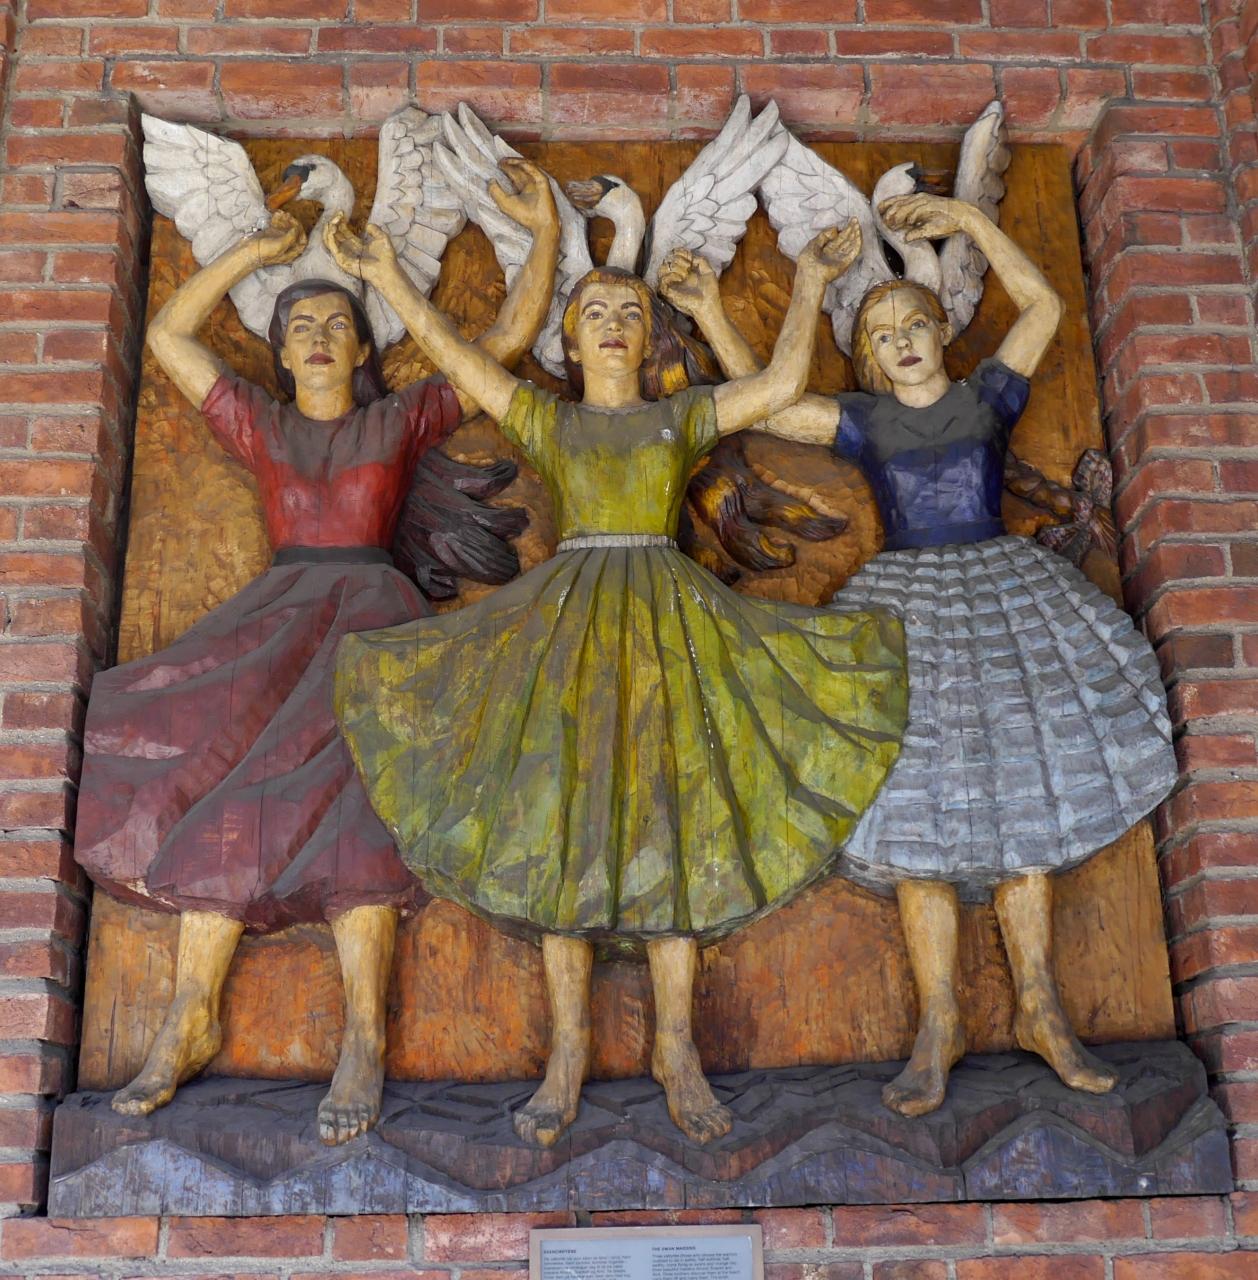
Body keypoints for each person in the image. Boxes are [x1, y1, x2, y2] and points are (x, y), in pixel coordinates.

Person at [332, 215, 909, 1147]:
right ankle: (566, 1053)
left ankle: (677, 1050)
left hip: (670, 628)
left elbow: (778, 387)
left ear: (649, 340)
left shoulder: (678, 417)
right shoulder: (549, 418)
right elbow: (460, 360)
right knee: (561, 822)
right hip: (566, 633)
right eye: (593, 312)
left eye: (630, 314)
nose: (611, 325)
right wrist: (390, 276)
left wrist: (807, 281)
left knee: (675, 821)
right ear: (569, 341)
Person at [74, 159, 560, 1144]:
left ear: (363, 344)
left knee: (362, 825)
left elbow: (506, 342)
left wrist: (534, 233)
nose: (319, 335)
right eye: (299, 325)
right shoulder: (261, 425)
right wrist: (252, 253)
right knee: (223, 809)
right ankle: (187, 1017)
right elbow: (168, 337)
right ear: (282, 352)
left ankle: (365, 1040)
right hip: (277, 624)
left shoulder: (398, 419)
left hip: (373, 626)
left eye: (338, 322)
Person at [661, 192, 1177, 1118]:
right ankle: (938, 1023)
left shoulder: (987, 397)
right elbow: (771, 402)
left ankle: (1042, 1009)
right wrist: (715, 308)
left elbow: (1044, 306)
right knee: (915, 811)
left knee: (1025, 797)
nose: (901, 341)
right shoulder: (865, 420)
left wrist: (968, 222)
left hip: (1004, 597)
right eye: (882, 334)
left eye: (913, 324)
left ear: (941, 331)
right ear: (867, 356)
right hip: (906, 609)